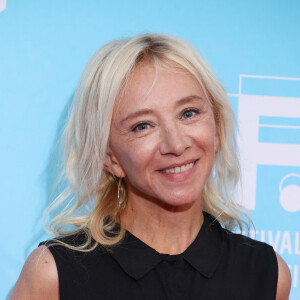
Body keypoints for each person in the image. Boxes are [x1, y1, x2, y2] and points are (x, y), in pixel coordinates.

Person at [10, 34, 291, 300]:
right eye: (142, 125)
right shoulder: (54, 274)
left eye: (188, 113)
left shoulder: (266, 274)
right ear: (111, 158)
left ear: (216, 127)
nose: (176, 143)